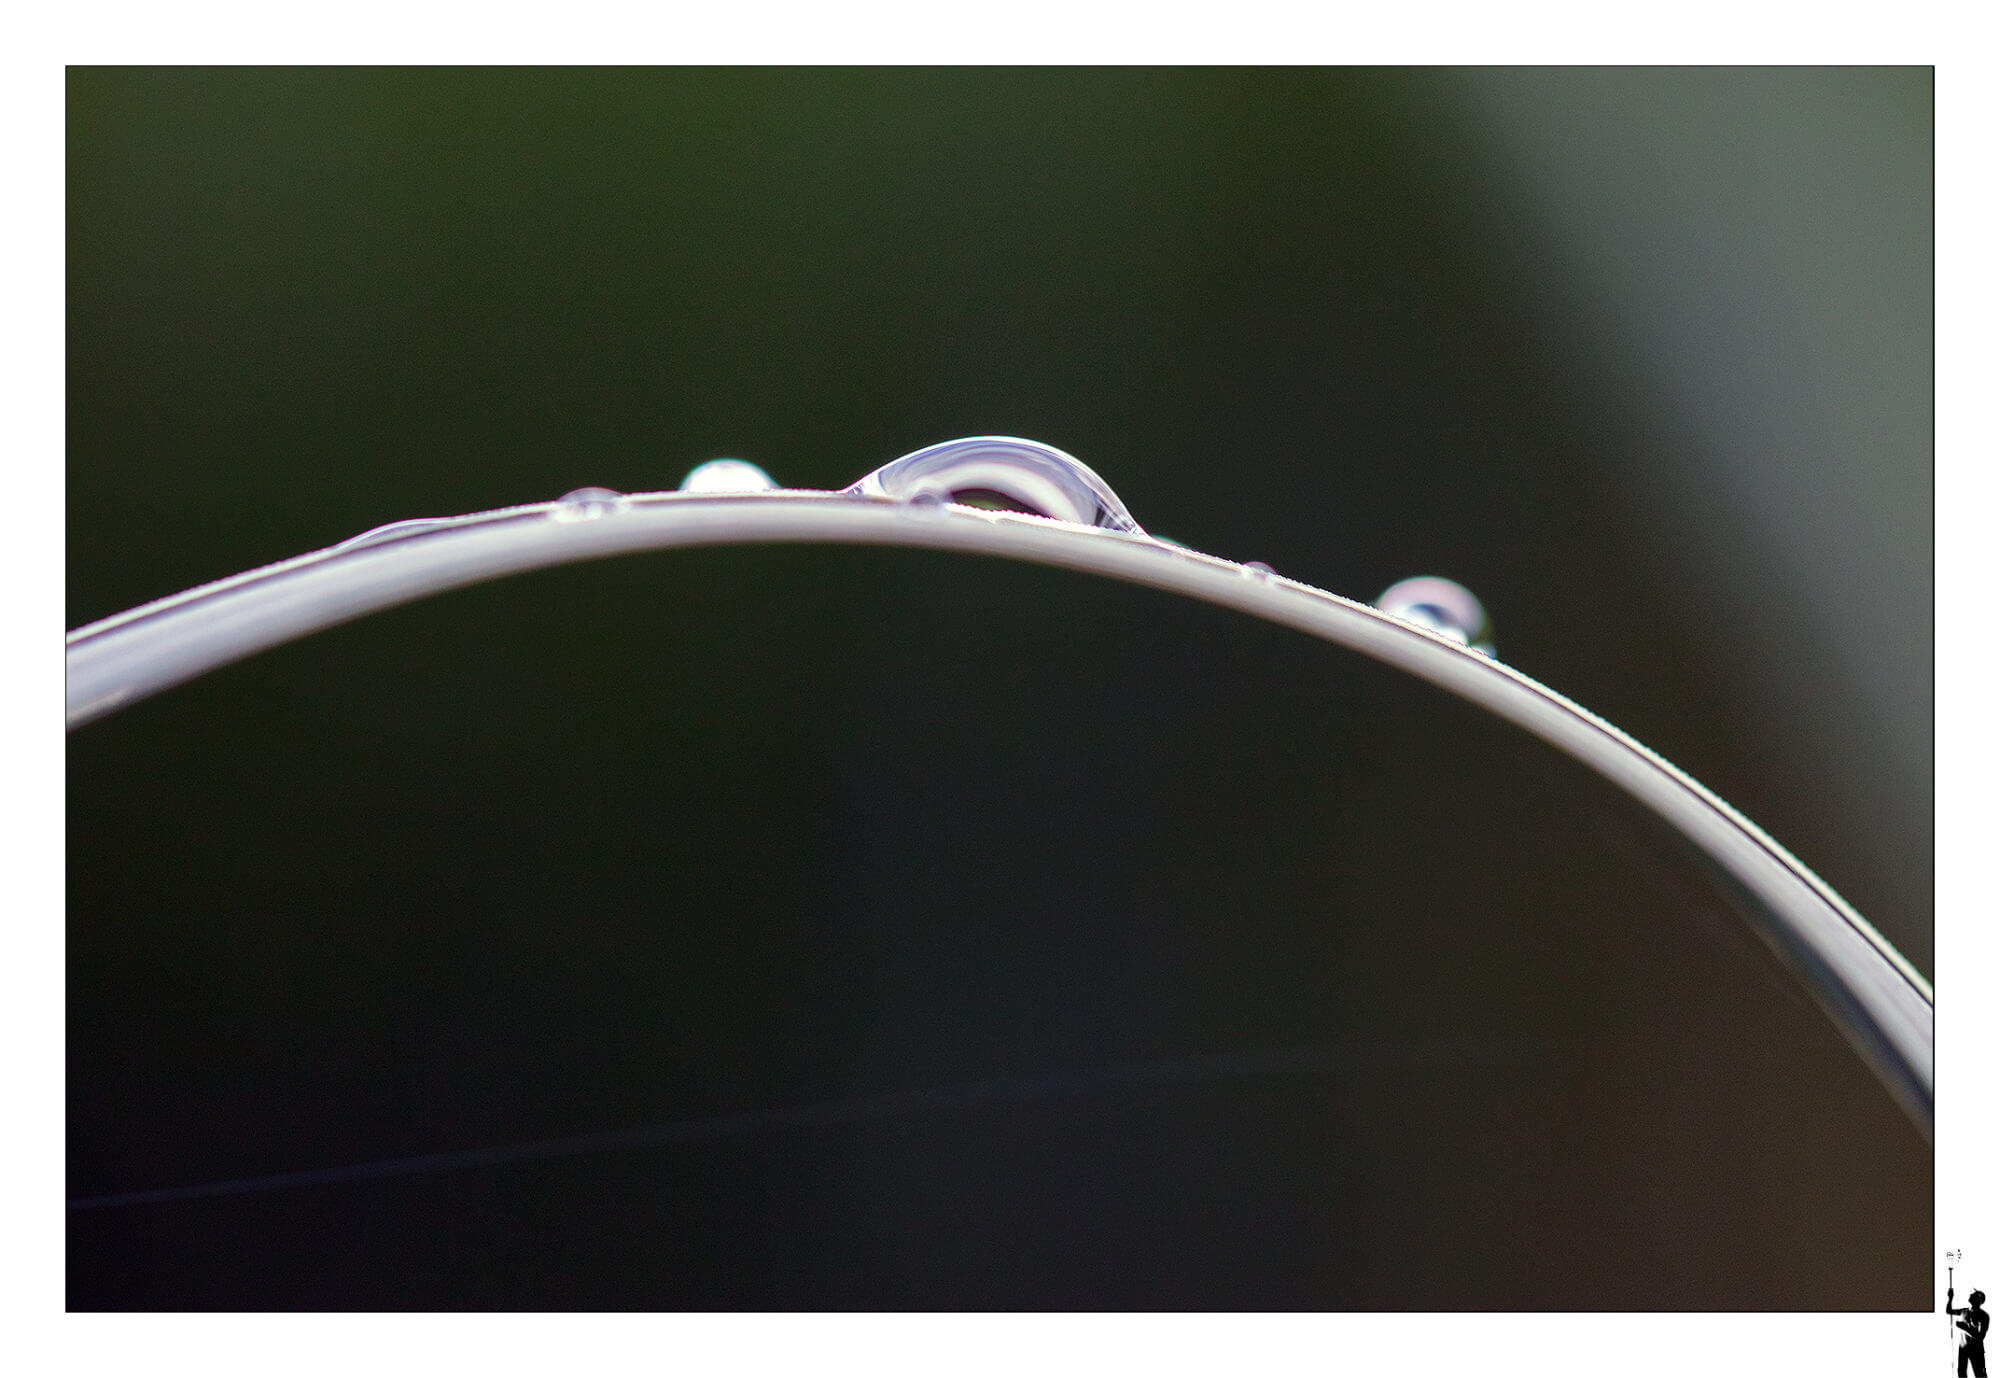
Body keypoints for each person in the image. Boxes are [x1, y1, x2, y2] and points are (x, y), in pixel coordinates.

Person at [1948, 1287, 1990, 1377]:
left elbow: (1980, 1336)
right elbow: (1949, 1311)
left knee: (1980, 1374)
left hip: (1976, 1349)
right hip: (1963, 1348)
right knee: (1962, 1373)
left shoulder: (1984, 1316)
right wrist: (1950, 1298)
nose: (1970, 1295)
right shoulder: (1964, 1311)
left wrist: (1964, 1328)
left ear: (1979, 1300)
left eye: (1973, 1295)